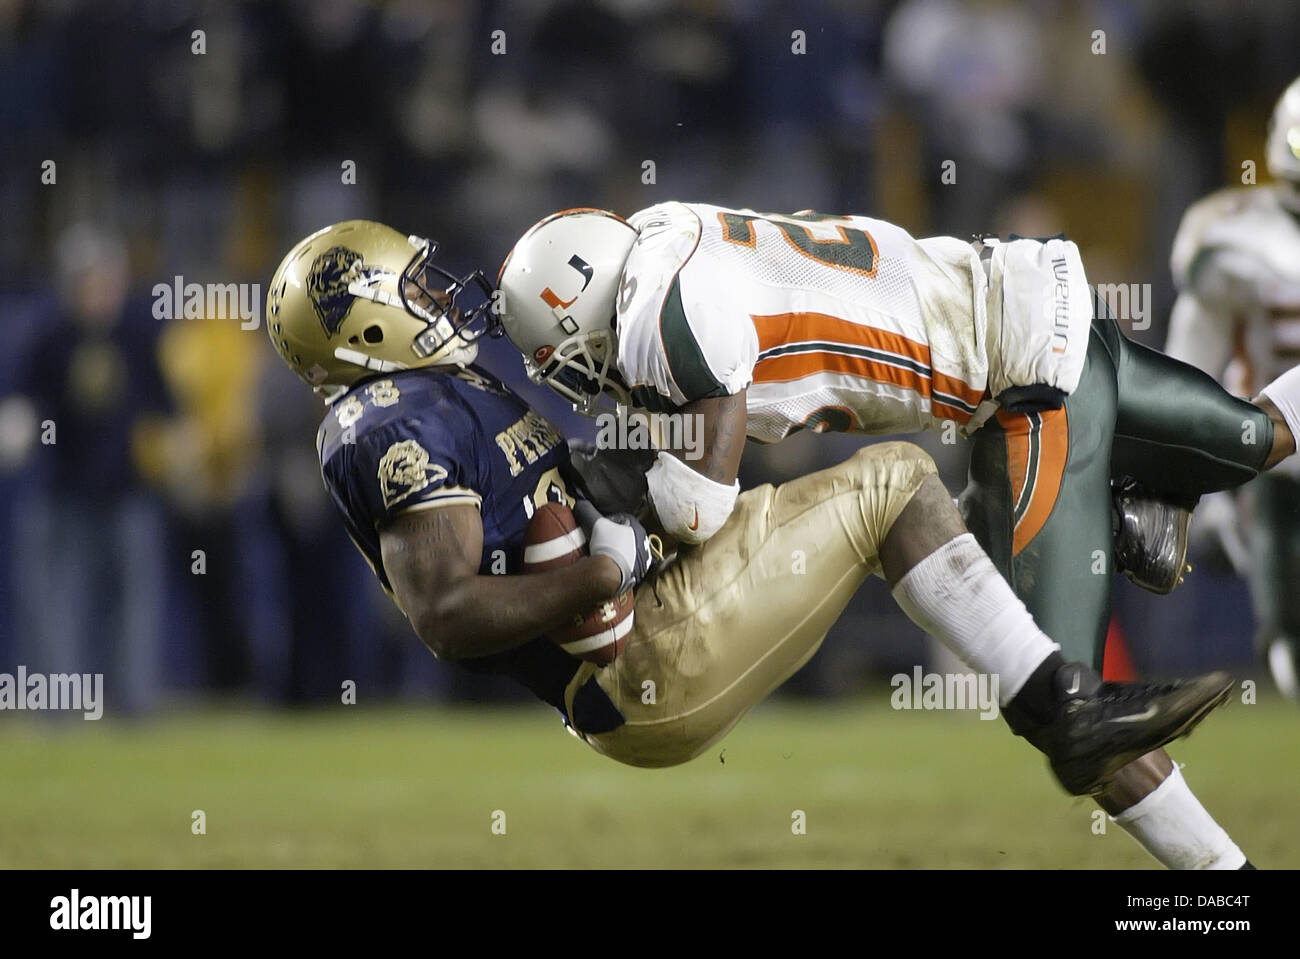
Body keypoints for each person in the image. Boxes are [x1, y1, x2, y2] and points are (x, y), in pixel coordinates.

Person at [263, 219, 1233, 857]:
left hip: (643, 615)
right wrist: (608, 559)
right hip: (633, 665)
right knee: (897, 485)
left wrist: (628, 495)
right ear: (366, 327)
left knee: (909, 501)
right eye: (414, 287)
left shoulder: (444, 392)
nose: (438, 295)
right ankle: (1068, 711)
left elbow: (554, 509)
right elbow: (447, 612)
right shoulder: (385, 417)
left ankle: (1198, 850)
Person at [496, 202, 1297, 869]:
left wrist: (613, 519)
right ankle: (1139, 492)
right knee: (1259, 440)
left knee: (1065, 709)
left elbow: (702, 505)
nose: (582, 373)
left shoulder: (656, 316)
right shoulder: (663, 234)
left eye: (569, 354)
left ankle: (1224, 883)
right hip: (1024, 298)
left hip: (1026, 385)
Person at [1166, 75, 1300, 702]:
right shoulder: (1235, 234)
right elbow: (1193, 351)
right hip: (1271, 453)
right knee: (1287, 625)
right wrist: (1199, 483)